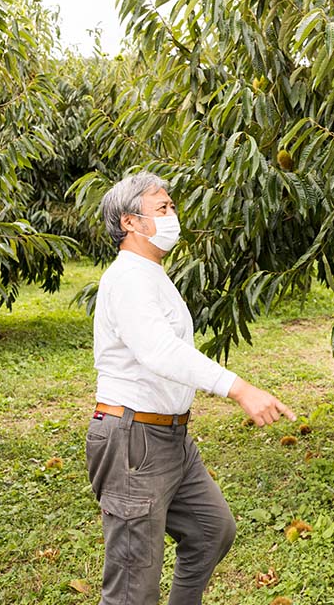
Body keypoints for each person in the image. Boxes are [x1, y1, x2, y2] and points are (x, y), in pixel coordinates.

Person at [86, 171, 295, 605]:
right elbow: (159, 350)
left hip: (171, 438)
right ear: (130, 222)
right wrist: (238, 388)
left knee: (210, 530)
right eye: (161, 209)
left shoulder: (152, 274)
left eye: (172, 208)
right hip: (133, 440)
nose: (172, 216)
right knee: (132, 586)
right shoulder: (128, 278)